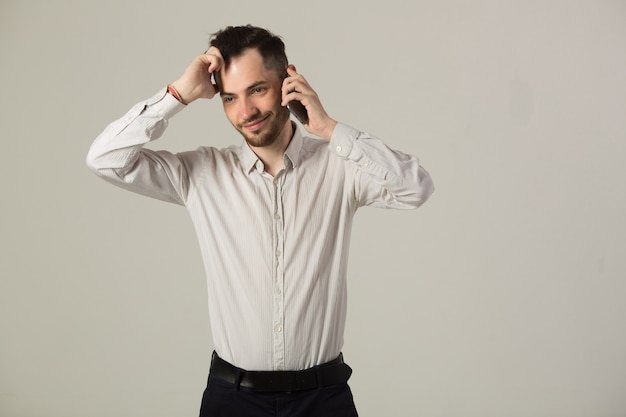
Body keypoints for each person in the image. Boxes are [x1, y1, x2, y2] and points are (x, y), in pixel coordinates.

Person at [86, 24, 434, 417]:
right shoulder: (200, 173)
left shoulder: (340, 167)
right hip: (232, 401)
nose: (245, 112)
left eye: (257, 90)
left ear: (288, 82)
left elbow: (415, 188)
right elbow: (105, 159)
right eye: (230, 97)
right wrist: (178, 94)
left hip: (323, 400)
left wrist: (328, 127)